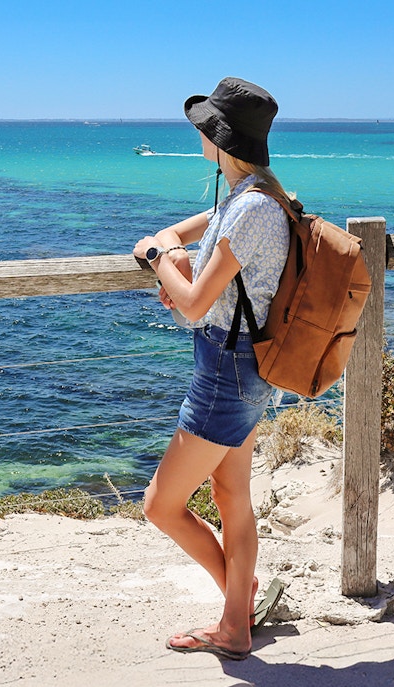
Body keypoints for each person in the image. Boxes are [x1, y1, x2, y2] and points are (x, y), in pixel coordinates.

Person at [133, 77, 290, 661]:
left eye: (206, 127)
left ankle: (235, 613)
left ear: (220, 138)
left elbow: (196, 303)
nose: (199, 133)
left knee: (160, 504)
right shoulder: (255, 195)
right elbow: (185, 242)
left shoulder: (249, 208)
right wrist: (172, 254)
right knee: (231, 495)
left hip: (226, 371)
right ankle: (238, 614)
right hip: (248, 366)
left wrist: (156, 261)